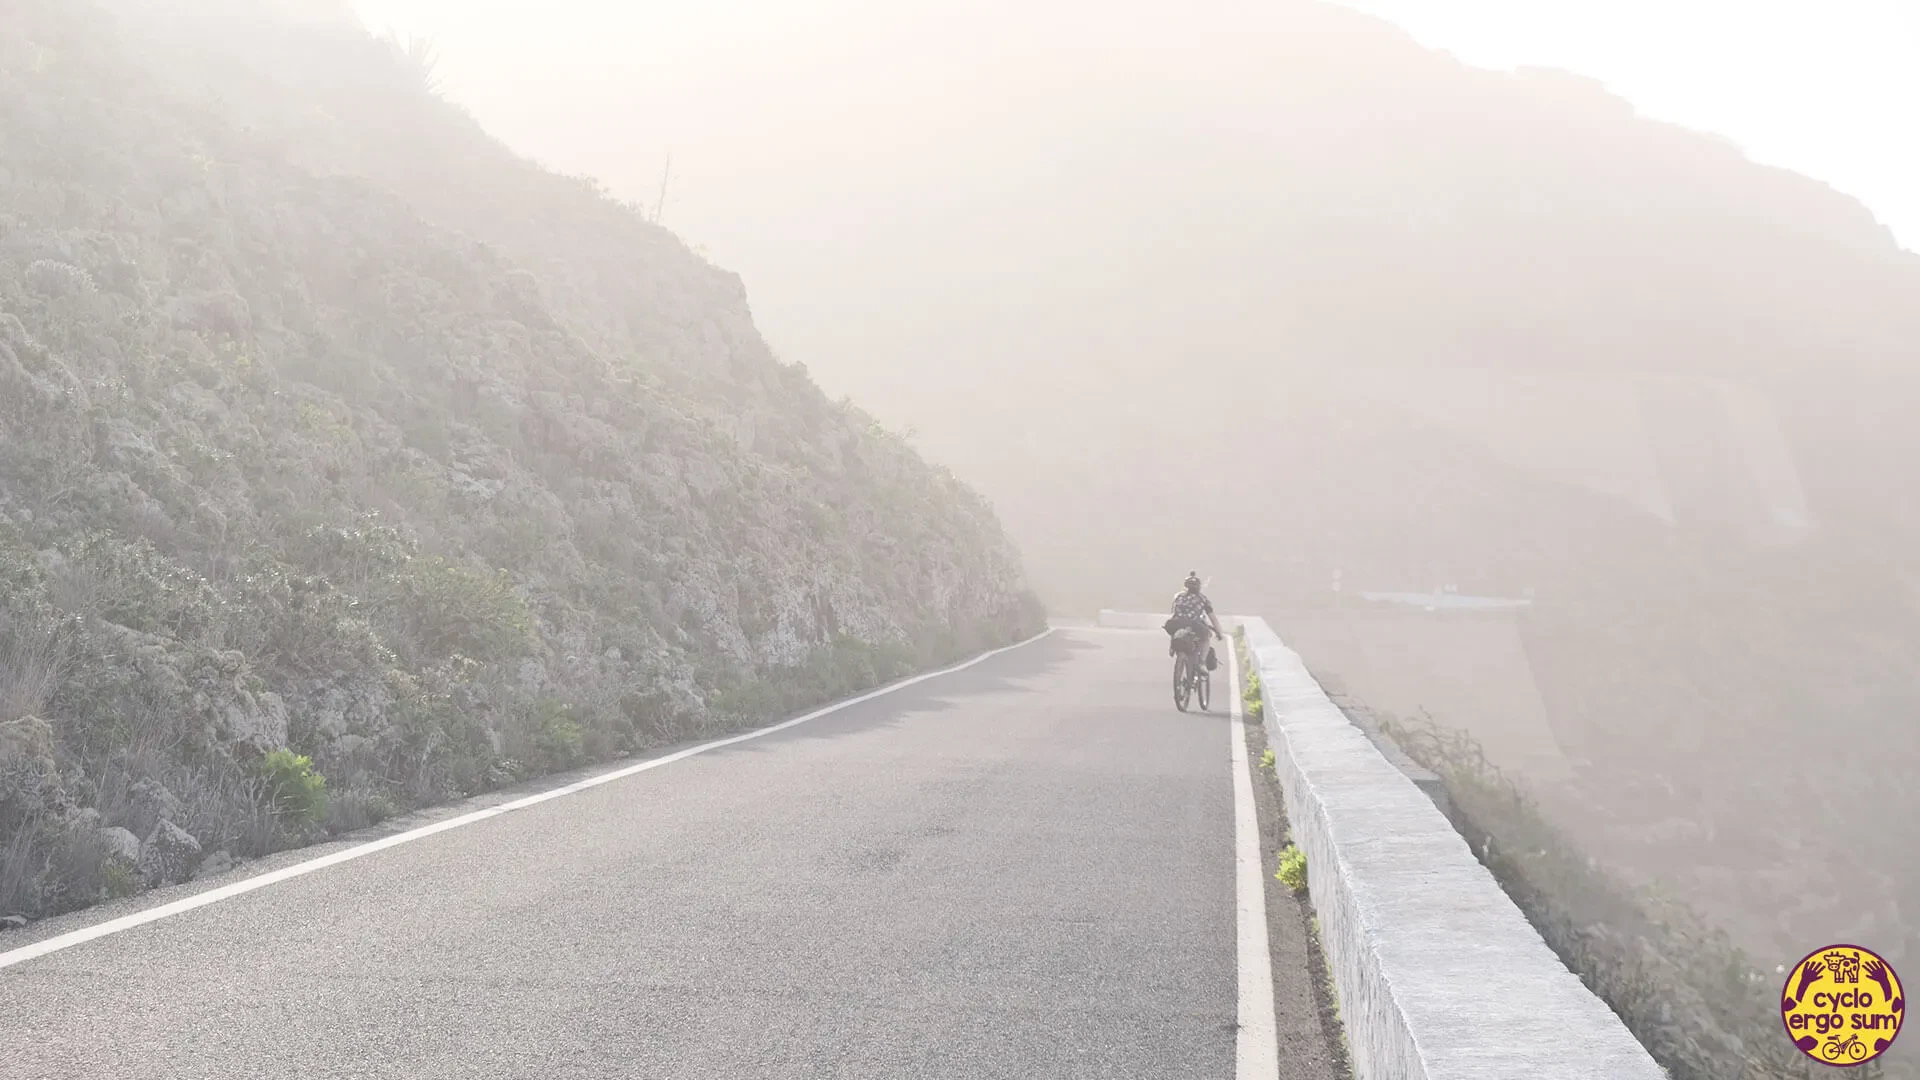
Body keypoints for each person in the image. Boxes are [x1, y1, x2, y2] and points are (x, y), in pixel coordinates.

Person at [1166, 571, 1223, 666]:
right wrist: (1219, 632)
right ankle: (1201, 662)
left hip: (1175, 623)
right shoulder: (1202, 599)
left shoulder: (1178, 596)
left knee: (1173, 628)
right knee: (1206, 637)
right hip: (1194, 625)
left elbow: (1173, 612)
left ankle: (1172, 646)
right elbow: (1213, 618)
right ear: (1198, 587)